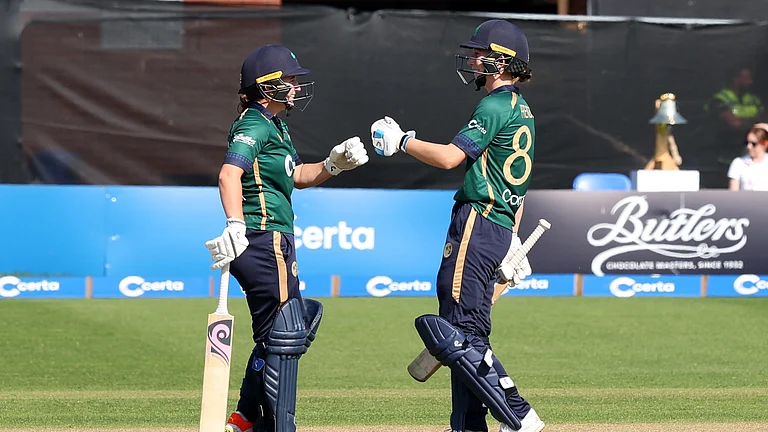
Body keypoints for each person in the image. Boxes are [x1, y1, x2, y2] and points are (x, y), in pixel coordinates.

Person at [370, 19, 544, 432]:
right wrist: (512, 240)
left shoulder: (494, 105)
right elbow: (516, 186)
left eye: (482, 54)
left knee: (458, 335)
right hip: (498, 227)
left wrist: (402, 142)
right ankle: (468, 425)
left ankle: (518, 413)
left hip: (476, 225)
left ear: (501, 62)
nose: (475, 60)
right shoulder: (523, 110)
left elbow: (451, 158)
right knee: (469, 334)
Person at [204, 44, 369, 432]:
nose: (296, 86)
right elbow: (229, 174)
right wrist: (235, 224)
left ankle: (247, 416)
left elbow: (297, 178)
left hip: (272, 239)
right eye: (289, 79)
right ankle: (277, 424)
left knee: (276, 335)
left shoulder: (276, 126)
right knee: (287, 331)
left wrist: (333, 165)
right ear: (267, 85)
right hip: (262, 239)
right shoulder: (254, 123)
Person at [705, 66, 764, 149]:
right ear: (736, 79)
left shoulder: (753, 99)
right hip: (726, 151)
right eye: (747, 78)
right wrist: (756, 124)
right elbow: (735, 124)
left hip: (751, 152)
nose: (751, 82)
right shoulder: (719, 99)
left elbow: (764, 121)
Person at [727, 123, 768, 191]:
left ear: (765, 144)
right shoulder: (738, 162)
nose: (748, 147)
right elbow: (733, 193)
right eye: (747, 143)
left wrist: (758, 127)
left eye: (753, 144)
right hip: (745, 201)